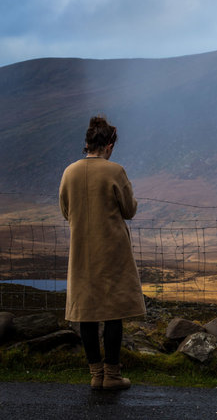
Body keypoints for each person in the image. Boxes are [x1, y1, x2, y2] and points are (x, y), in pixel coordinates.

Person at [59, 115, 146, 390]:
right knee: (113, 312)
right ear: (108, 146)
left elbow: (65, 210)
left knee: (86, 312)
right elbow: (129, 210)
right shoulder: (114, 171)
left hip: (81, 249)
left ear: (86, 144)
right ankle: (113, 375)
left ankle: (96, 375)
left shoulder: (69, 172)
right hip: (111, 250)